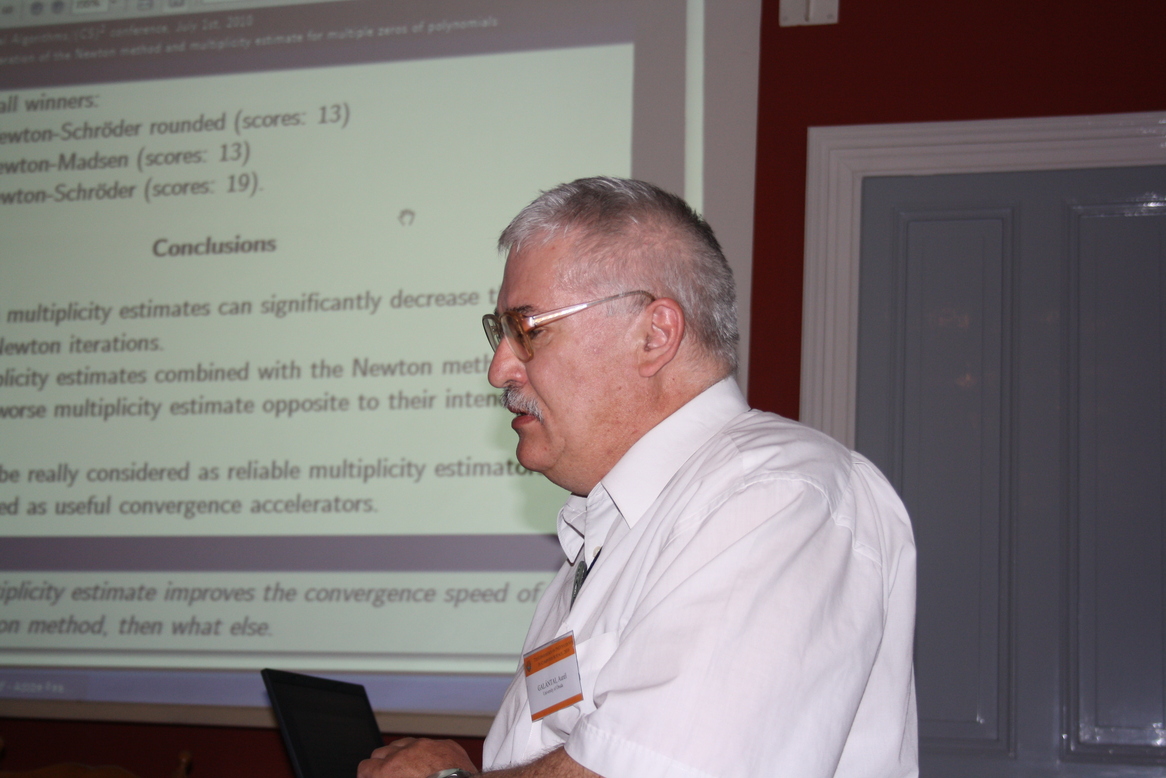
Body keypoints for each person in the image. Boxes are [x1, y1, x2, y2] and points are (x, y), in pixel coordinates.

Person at [359, 177, 918, 778]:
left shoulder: (779, 495)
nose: (499, 370)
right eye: (501, 334)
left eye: (527, 329)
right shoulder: (605, 530)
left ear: (654, 336)